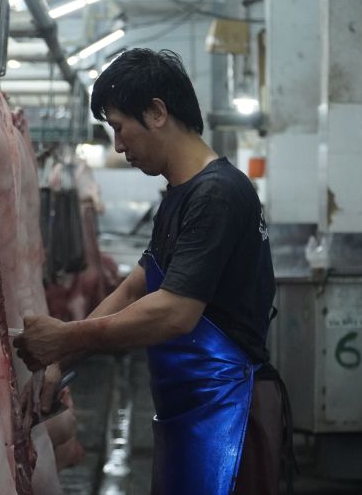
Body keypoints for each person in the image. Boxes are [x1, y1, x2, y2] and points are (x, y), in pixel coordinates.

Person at [14, 49, 283, 494]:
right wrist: (59, 359)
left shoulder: (216, 194)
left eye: (119, 127)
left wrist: (67, 337)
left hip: (228, 413)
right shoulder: (181, 193)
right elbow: (137, 287)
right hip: (190, 408)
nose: (118, 145)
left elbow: (175, 312)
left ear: (157, 112)